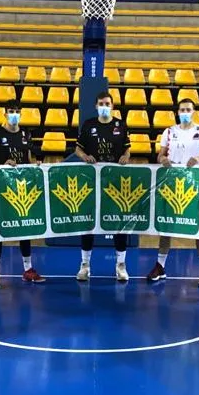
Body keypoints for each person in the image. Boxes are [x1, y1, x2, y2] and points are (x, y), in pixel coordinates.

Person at [147, 98, 199, 286]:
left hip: (195, 184)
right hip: (172, 183)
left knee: (198, 228)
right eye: (182, 110)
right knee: (166, 226)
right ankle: (160, 266)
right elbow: (160, 155)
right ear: (177, 112)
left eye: (188, 109)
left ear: (193, 112)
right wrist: (163, 160)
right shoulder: (169, 132)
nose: (185, 112)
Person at [0, 100, 45, 289]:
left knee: (24, 228)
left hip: (21, 189)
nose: (14, 114)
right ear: (5, 113)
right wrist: (4, 166)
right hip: (2, 188)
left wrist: (35, 166)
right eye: (11, 111)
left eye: (17, 111)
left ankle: (28, 269)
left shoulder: (26, 135)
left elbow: (28, 161)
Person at [75, 92, 131, 282]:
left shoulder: (120, 125)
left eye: (107, 103)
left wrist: (125, 156)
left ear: (112, 106)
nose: (104, 106)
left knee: (118, 223)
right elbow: (78, 149)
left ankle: (121, 265)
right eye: (101, 103)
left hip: (115, 181)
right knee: (88, 223)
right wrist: (84, 157)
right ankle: (85, 265)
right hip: (92, 180)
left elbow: (127, 148)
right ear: (96, 106)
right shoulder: (89, 125)